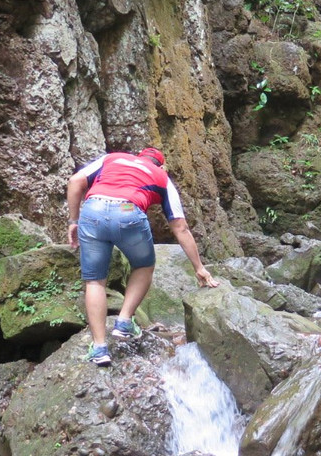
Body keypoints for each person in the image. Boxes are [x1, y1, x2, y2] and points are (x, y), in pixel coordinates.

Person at [67, 146, 219, 366]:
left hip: (93, 211)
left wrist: (73, 221)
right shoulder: (161, 177)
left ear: (138, 157)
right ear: (161, 164)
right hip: (128, 212)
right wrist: (199, 267)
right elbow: (180, 227)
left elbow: (75, 181)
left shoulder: (112, 158)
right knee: (144, 266)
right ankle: (124, 322)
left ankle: (99, 348)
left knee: (95, 280)